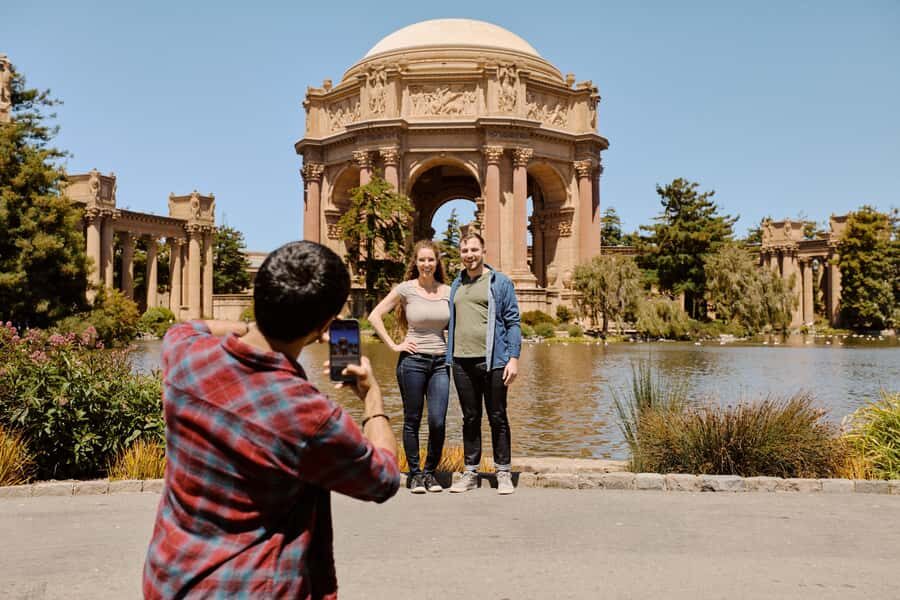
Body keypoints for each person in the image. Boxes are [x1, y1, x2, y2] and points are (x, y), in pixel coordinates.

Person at [143, 241, 399, 599]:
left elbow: (192, 326)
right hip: (250, 588)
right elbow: (383, 478)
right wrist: (372, 397)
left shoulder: (183, 354)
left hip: (170, 578)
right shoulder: (308, 414)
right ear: (325, 325)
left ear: (259, 294)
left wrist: (251, 326)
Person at [368, 239, 451, 494]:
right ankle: (415, 474)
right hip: (412, 362)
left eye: (431, 259)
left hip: (440, 363)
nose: (427, 264)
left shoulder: (448, 291)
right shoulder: (406, 289)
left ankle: (430, 473)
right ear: (415, 263)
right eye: (422, 259)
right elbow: (374, 315)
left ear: (437, 262)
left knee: (437, 420)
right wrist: (395, 345)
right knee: (412, 419)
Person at [446, 232, 521, 495]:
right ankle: (470, 473)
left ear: (483, 250)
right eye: (465, 250)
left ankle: (503, 472)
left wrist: (513, 358)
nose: (469, 255)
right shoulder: (456, 283)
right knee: (470, 418)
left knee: (498, 416)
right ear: (460, 253)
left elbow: (513, 322)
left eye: (474, 250)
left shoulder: (499, 282)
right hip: (461, 361)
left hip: (495, 360)